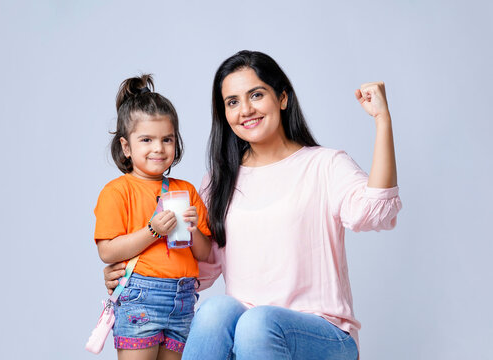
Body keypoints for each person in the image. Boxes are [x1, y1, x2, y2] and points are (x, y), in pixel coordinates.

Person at [104, 51, 402, 360]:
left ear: (282, 98)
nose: (245, 110)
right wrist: (132, 274)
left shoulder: (324, 165)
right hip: (247, 338)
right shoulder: (218, 183)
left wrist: (383, 121)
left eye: (256, 95)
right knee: (216, 310)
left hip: (323, 336)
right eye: (232, 102)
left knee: (257, 323)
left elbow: (378, 211)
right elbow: (199, 266)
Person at [94, 74, 212, 360]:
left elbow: (206, 253)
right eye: (146, 139)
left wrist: (193, 229)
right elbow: (107, 250)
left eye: (166, 139)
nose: (158, 148)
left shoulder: (186, 190)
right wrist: (153, 231)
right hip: (141, 297)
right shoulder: (117, 191)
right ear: (126, 147)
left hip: (183, 298)